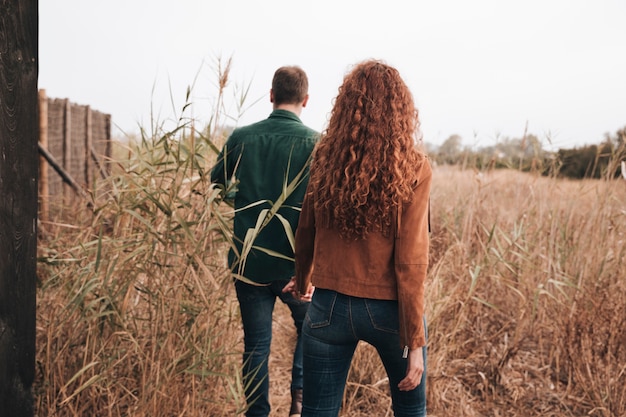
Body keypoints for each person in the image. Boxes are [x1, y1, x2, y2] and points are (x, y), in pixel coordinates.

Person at [283, 60, 432, 417]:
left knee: (317, 411)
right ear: (401, 111)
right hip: (390, 310)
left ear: (345, 108)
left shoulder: (326, 158)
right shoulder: (415, 166)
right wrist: (415, 342)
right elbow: (411, 261)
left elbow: (306, 227)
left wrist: (303, 280)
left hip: (329, 305)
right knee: (410, 411)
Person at [211, 66, 319, 417]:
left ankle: (256, 413)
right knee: (310, 335)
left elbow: (218, 186)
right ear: (305, 100)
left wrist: (245, 204)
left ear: (271, 95)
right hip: (297, 268)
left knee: (256, 346)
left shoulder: (242, 138)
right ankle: (300, 405)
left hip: (249, 262)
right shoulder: (317, 145)